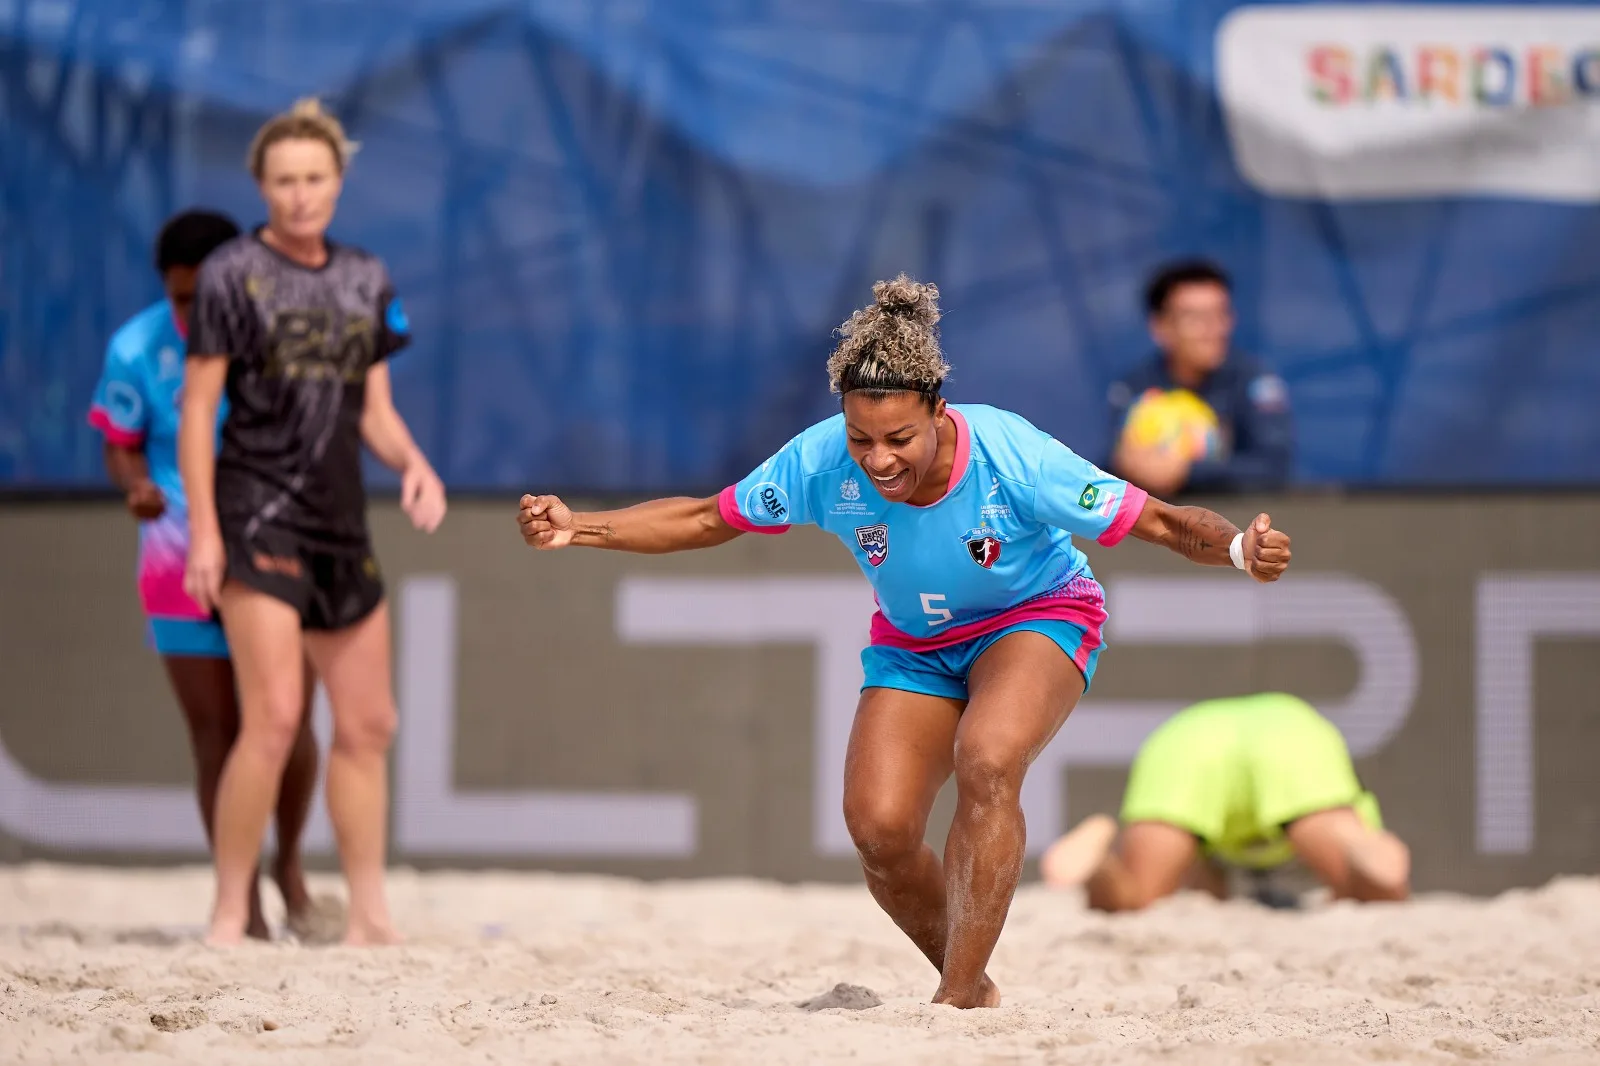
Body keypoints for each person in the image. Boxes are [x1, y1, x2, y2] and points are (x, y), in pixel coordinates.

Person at [517, 275, 1293, 1008]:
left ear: (938, 408)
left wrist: (1235, 550)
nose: (879, 459)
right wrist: (579, 527)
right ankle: (974, 982)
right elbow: (705, 519)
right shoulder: (823, 457)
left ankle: (955, 999)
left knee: (987, 761)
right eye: (862, 439)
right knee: (880, 833)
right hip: (915, 643)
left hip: (1037, 617)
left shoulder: (1009, 451)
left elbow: (1157, 519)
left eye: (899, 437)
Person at [179, 99, 447, 947]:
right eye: (284, 180)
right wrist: (205, 534)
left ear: (338, 182)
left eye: (315, 179)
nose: (300, 195)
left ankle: (368, 915)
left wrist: (415, 466)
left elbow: (374, 413)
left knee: (370, 724)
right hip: (256, 510)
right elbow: (198, 410)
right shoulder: (229, 272)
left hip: (340, 522)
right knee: (275, 717)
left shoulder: (366, 277)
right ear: (262, 185)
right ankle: (231, 908)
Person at [87, 208, 330, 942]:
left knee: (285, 723)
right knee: (215, 735)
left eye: (203, 296)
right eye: (179, 298)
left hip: (280, 545)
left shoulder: (290, 333)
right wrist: (134, 485)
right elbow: (121, 441)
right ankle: (242, 892)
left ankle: (288, 864)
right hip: (177, 554)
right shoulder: (136, 346)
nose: (189, 312)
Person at [1039, 692, 1411, 910]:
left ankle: (1102, 853)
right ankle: (1357, 843)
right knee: (1373, 893)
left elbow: (1208, 892)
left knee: (1138, 898)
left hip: (1187, 738)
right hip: (1290, 732)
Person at [1107, 259, 1293, 497]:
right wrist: (1126, 465)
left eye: (1220, 314)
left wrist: (1186, 471)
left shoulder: (1255, 381)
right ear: (1160, 327)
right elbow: (1109, 468)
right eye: (1195, 317)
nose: (1213, 329)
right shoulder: (1133, 386)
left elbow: (1274, 466)